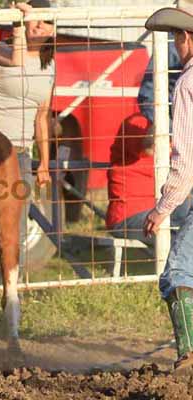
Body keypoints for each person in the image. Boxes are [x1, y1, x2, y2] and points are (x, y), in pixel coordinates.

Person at [144, 0, 193, 373]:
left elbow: (185, 156)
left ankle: (190, 356)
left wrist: (164, 207)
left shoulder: (188, 83)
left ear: (187, 39)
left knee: (178, 273)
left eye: (177, 36)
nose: (177, 43)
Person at [0, 0, 54, 267]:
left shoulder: (49, 66)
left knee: (17, 218)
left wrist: (45, 164)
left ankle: (11, 279)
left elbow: (42, 117)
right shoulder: (1, 52)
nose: (38, 25)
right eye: (34, 18)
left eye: (45, 20)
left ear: (53, 29)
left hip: (23, 154)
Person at [106, 114, 192, 246]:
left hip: (162, 211)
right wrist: (162, 121)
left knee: (184, 216)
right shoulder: (137, 122)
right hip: (128, 217)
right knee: (183, 225)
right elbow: (150, 148)